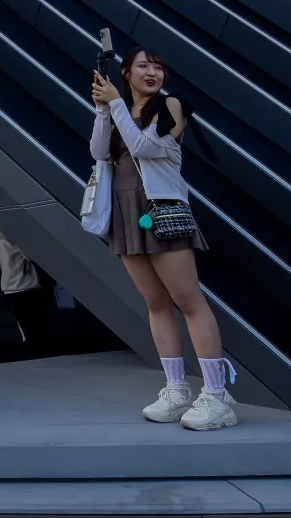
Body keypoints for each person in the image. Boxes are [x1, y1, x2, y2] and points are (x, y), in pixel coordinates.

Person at [90, 47, 236, 431]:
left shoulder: (171, 105)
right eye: (144, 65)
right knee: (155, 303)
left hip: (162, 209)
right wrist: (104, 110)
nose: (153, 71)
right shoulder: (118, 108)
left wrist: (117, 104)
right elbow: (98, 151)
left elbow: (144, 147)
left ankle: (217, 396)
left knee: (188, 300)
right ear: (126, 71)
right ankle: (176, 390)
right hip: (125, 213)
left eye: (158, 66)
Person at [0, 229, 51, 348]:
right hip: (25, 284)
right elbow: (29, 256)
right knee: (36, 327)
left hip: (9, 286)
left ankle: (33, 355)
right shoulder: (14, 230)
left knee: (25, 329)